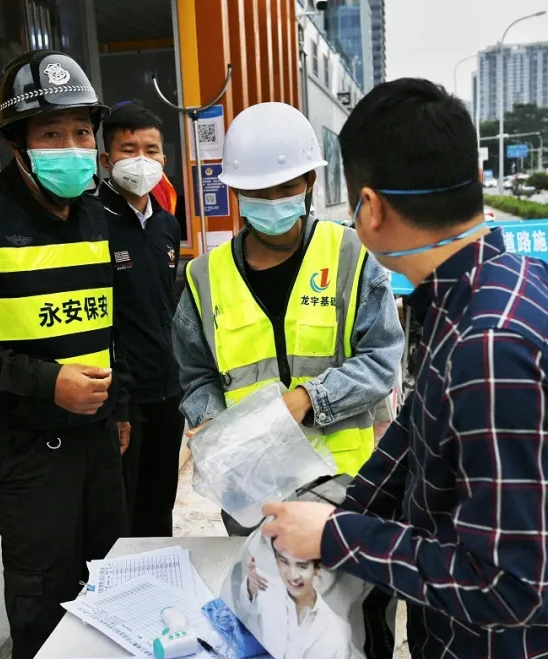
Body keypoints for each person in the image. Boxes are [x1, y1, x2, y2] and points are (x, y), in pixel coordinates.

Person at [260, 80, 548, 659]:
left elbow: (508, 586)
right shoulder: (491, 282)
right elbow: (416, 432)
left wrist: (338, 537)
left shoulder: (491, 348)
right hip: (465, 649)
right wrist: (342, 510)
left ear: (369, 208)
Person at [0, 50, 130, 659]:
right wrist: (49, 384)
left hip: (97, 441)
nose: (71, 148)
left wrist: (117, 407)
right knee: (43, 607)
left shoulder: (97, 211)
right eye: (52, 134)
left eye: (81, 132)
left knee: (113, 591)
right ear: (17, 143)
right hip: (26, 452)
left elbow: (107, 325)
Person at [172, 102, 404, 535]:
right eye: (258, 192)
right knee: (258, 577)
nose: (273, 201)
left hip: (346, 482)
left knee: (344, 579)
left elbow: (382, 359)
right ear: (236, 191)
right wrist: (212, 424)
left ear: (309, 182)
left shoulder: (352, 255)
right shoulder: (204, 276)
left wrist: (306, 400)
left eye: (285, 187)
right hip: (252, 489)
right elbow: (196, 374)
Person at [98, 102, 184, 537]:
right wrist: (117, 402)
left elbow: (166, 304)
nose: (141, 160)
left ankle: (159, 574)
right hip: (123, 397)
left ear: (163, 158)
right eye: (128, 150)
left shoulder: (167, 224)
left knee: (159, 503)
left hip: (168, 390)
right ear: (106, 160)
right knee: (123, 510)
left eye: (151, 150)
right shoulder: (90, 222)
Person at [237, 541, 352, 659]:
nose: (292, 576)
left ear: (317, 569)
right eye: (284, 562)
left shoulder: (339, 633)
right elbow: (245, 609)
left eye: (302, 566)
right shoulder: (266, 588)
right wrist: (251, 588)